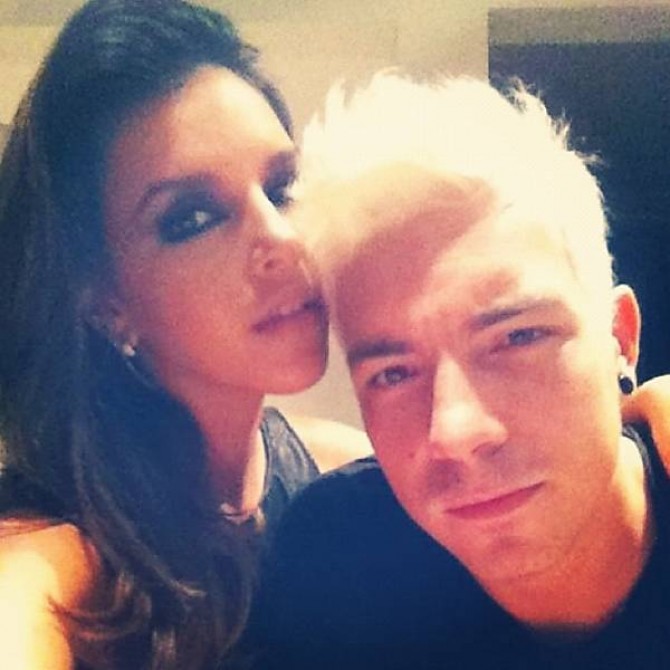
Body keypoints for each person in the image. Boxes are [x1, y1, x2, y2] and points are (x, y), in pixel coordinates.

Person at [0, 1, 368, 668]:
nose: (282, 240)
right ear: (105, 300)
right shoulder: (51, 556)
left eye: (283, 188)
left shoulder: (343, 472)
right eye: (192, 218)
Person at [259, 72, 670, 669]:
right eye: (393, 374)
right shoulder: (338, 563)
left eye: (517, 338)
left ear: (620, 338)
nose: (454, 431)